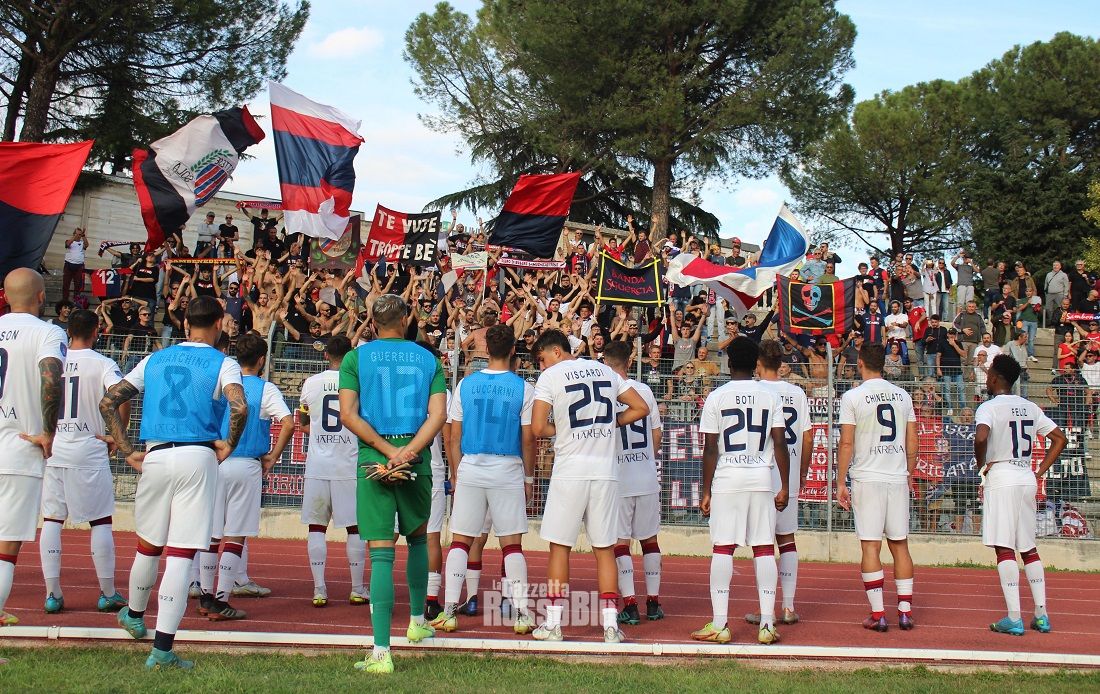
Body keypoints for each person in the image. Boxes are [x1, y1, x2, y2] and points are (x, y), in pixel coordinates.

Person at [100, 295, 248, 670]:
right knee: (181, 554)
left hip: (156, 453)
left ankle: (135, 615)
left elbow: (108, 401)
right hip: (198, 455)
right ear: (219, 324)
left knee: (148, 545)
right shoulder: (224, 362)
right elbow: (239, 405)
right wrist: (229, 444)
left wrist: (126, 449)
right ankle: (162, 649)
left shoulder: (154, 359)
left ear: (185, 324)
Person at [338, 294, 447, 674]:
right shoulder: (428, 359)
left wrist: (387, 452)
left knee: (382, 553)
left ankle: (382, 651)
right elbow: (438, 415)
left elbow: (348, 414)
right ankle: (417, 621)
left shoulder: (355, 358)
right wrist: (408, 452)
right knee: (418, 539)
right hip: (416, 458)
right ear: (404, 320)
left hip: (374, 460)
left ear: (372, 322)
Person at [529, 329, 649, 644]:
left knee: (559, 547)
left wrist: (564, 429)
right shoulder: (605, 370)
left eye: (542, 359)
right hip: (606, 471)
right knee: (605, 549)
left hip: (570, 470)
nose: (542, 366)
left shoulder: (551, 376)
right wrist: (612, 423)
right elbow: (640, 408)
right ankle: (610, 625)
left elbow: (538, 427)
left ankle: (553, 624)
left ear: (555, 351)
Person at [432, 324, 536, 635]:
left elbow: (453, 437)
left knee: (461, 540)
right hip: (507, 467)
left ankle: (450, 611)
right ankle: (521, 614)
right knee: (511, 545)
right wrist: (529, 478)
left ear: (486, 350)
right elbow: (528, 439)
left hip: (471, 466)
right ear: (513, 350)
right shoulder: (524, 388)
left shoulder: (465, 384)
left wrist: (456, 472)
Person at [692, 337, 789, 645]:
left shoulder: (717, 397)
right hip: (760, 478)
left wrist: (706, 491)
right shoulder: (770, 396)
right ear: (756, 364)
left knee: (723, 548)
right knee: (763, 548)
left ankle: (721, 623)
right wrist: (785, 486)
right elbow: (780, 442)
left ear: (729, 363)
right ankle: (767, 624)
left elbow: (710, 449)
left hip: (728, 479)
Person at [196, 333, 293, 621]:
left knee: (212, 534)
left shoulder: (222, 382)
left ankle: (205, 596)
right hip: (247, 464)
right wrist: (273, 456)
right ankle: (222, 599)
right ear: (262, 360)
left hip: (215, 461)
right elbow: (288, 423)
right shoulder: (265, 389)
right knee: (235, 535)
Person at [39, 310, 129, 615]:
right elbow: (122, 395)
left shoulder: (54, 361)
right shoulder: (102, 363)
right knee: (100, 521)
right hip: (88, 448)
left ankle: (52, 594)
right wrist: (117, 434)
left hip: (55, 448)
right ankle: (108, 593)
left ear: (68, 330)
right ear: (96, 331)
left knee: (52, 520)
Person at [975, 355, 1067, 636]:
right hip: (1026, 476)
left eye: (989, 374)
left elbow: (981, 437)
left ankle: (1014, 617)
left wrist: (981, 466)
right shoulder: (1030, 407)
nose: (987, 378)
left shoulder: (988, 407)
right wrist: (1039, 471)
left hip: (1001, 476)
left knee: (1004, 547)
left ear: (994, 378)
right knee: (1028, 547)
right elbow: (1060, 439)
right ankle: (1041, 614)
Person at [0, 269, 66, 631]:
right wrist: (48, 431)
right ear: (41, 296)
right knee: (5, 548)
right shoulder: (47, 332)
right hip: (17, 447)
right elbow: (50, 375)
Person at [837, 342, 918, 632]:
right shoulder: (902, 395)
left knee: (871, 545)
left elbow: (847, 442)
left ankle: (879, 613)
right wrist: (909, 472)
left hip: (867, 477)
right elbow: (912, 439)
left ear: (860, 362)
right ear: (883, 363)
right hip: (896, 476)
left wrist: (840, 481)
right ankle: (905, 612)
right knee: (900, 544)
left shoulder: (853, 396)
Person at [743, 340, 812, 628]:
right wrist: (802, 471)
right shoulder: (797, 393)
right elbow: (807, 436)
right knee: (787, 539)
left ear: (758, 363)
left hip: (761, 471)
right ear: (781, 362)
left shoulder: (754, 391)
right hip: (789, 472)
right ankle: (788, 606)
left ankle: (767, 610)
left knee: (762, 544)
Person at [297, 336, 367, 608]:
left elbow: (303, 421)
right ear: (350, 357)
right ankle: (357, 589)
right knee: (355, 527)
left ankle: (319, 589)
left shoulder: (310, 383)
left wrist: (317, 431)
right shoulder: (357, 383)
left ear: (325, 355)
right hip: (348, 464)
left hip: (318, 465)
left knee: (316, 527)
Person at [601, 341, 665, 626]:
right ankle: (653, 601)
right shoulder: (645, 391)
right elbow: (657, 435)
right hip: (646, 474)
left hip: (618, 477)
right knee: (650, 541)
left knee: (620, 543)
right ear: (630, 361)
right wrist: (647, 458)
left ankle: (630, 603)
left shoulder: (605, 393)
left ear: (605, 362)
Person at [62, 227, 87, 301]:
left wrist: (83, 236)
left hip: (79, 266)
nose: (78, 236)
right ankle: (65, 301)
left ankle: (76, 301)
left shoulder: (82, 243)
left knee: (78, 285)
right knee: (66, 284)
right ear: (73, 234)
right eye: (76, 234)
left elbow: (86, 245)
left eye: (79, 234)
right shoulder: (68, 241)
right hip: (68, 265)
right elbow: (67, 244)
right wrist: (74, 236)